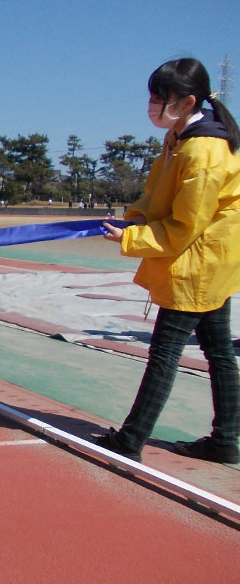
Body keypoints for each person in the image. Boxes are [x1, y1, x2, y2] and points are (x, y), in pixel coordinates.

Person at [93, 58, 240, 464]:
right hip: (208, 258)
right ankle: (226, 439)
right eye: (152, 96)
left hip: (198, 260)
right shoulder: (178, 138)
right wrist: (136, 215)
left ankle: (131, 439)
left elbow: (185, 224)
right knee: (219, 351)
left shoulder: (203, 151)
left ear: (188, 100)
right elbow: (157, 189)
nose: (153, 104)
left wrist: (132, 237)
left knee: (165, 350)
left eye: (161, 98)